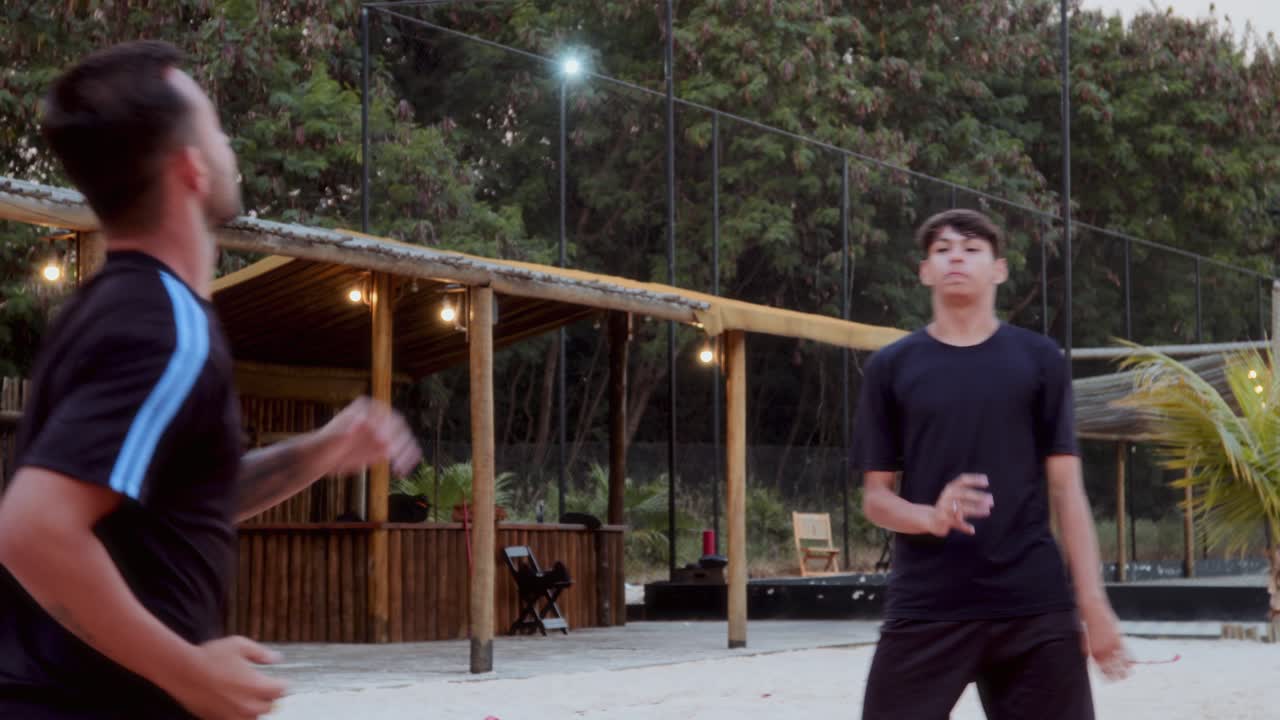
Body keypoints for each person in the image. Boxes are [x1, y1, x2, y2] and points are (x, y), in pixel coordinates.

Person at [0, 41, 422, 720]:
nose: (229, 144)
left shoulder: (111, 310)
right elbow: (30, 531)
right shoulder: (164, 329)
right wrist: (190, 673)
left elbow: (157, 504)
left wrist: (317, 453)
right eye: (216, 128)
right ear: (191, 169)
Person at [851, 209, 1132, 719]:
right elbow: (875, 498)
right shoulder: (891, 368)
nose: (956, 255)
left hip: (1032, 604)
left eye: (972, 247)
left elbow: (1067, 490)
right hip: (927, 604)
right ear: (925, 271)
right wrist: (930, 517)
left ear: (998, 269)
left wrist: (1093, 605)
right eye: (942, 248)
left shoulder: (1040, 359)